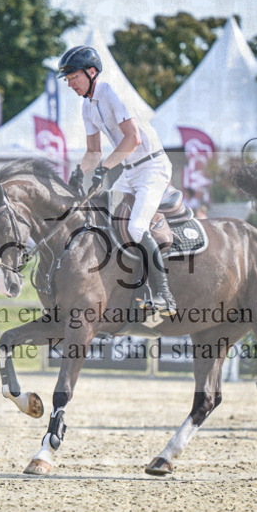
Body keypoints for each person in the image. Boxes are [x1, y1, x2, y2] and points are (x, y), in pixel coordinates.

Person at [59, 45, 176, 315]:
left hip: (153, 168)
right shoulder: (87, 107)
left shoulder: (112, 93)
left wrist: (104, 168)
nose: (70, 83)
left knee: (135, 228)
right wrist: (80, 172)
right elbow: (93, 152)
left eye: (73, 77)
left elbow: (132, 139)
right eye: (67, 79)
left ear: (91, 72)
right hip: (131, 171)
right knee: (101, 216)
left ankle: (164, 295)